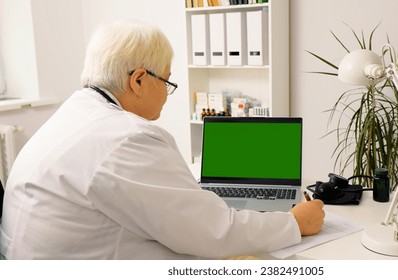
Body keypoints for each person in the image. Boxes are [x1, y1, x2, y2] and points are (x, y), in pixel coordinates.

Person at [0, 19, 324, 260]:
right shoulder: (127, 138)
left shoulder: (71, 116)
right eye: (166, 81)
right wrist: (294, 222)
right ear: (139, 80)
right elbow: (214, 232)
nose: (168, 94)